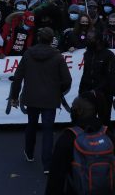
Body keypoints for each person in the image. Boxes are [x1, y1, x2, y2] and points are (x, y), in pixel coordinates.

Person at [9, 27, 72, 173]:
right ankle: (47, 164)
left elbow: (17, 78)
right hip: (50, 98)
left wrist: (14, 96)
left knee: (31, 125)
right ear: (51, 40)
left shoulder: (28, 54)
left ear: (38, 38)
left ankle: (29, 153)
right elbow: (67, 80)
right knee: (48, 130)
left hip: (31, 96)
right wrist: (58, 91)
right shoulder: (57, 56)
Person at [46, 95, 115, 195]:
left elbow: (55, 180)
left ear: (79, 111)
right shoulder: (109, 136)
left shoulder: (68, 138)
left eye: (73, 108)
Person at [78, 29, 115, 125]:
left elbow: (110, 76)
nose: (87, 40)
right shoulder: (87, 54)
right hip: (88, 93)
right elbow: (85, 73)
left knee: (105, 122)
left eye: (90, 38)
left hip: (104, 94)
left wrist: (97, 90)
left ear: (98, 40)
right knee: (88, 120)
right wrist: (81, 91)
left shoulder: (109, 55)